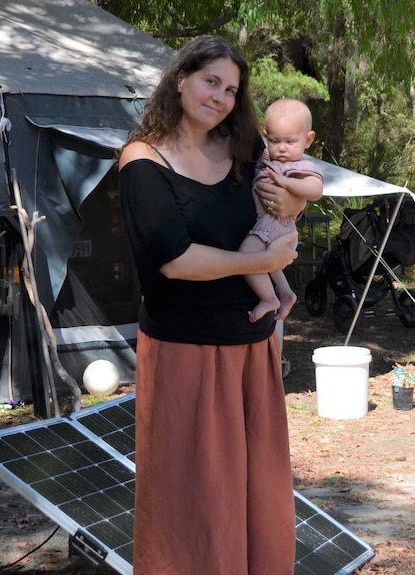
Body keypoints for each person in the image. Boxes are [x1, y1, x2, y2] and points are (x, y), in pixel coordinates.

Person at [118, 35, 315, 575]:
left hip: (252, 349)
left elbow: (289, 190)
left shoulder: (240, 146)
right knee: (194, 504)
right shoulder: (142, 161)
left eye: (231, 89)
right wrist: (260, 261)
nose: (221, 97)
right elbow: (175, 260)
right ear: (180, 78)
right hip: (186, 353)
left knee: (256, 498)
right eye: (211, 81)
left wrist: (294, 201)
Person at [242, 98, 323, 322]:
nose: (282, 148)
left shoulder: (301, 167)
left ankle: (269, 298)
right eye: (275, 140)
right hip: (269, 224)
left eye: (290, 141)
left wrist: (287, 184)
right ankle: (286, 293)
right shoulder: (268, 157)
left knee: (247, 256)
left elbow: (315, 190)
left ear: (308, 140)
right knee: (269, 263)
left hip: (277, 227)